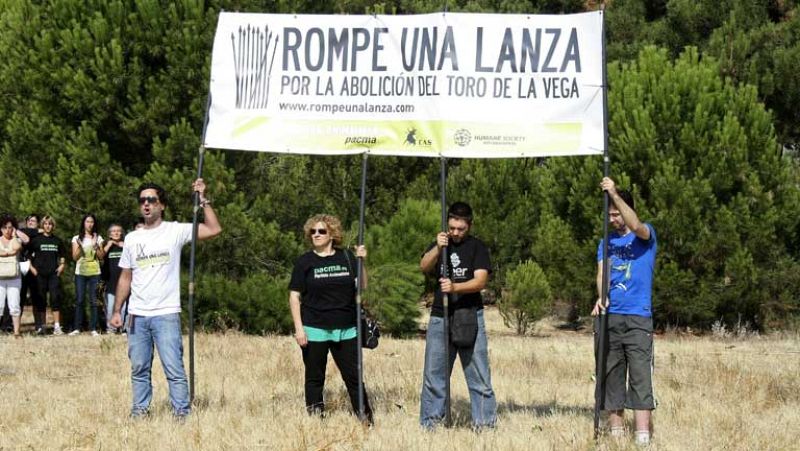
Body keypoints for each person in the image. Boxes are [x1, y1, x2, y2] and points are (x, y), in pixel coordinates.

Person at [110, 179, 221, 419]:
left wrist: (204, 200)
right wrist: (117, 310)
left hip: (166, 313)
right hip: (137, 315)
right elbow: (125, 277)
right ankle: (139, 411)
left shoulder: (175, 230)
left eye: (152, 200)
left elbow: (213, 229)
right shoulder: (131, 239)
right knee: (139, 368)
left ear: (162, 206)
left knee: (173, 368)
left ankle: (181, 413)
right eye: (142, 200)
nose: (146, 204)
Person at [418, 201, 496, 429]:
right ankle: (431, 424)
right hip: (440, 316)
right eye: (452, 228)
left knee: (479, 374)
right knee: (434, 375)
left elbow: (481, 281)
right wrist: (438, 248)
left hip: (469, 315)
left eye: (460, 229)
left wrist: (454, 288)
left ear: (469, 226)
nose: (455, 233)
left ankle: (485, 425)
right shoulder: (442, 243)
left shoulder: (477, 248)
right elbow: (424, 266)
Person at [288, 214, 373, 423]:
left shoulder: (346, 257)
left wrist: (361, 261)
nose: (316, 235)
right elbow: (294, 296)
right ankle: (317, 419)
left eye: (321, 231)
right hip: (315, 329)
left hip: (347, 329)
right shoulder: (305, 261)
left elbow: (361, 286)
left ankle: (366, 420)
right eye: (313, 231)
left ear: (332, 234)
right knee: (315, 378)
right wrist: (299, 329)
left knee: (354, 378)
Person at [592, 177, 657, 446]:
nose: (613, 219)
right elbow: (601, 273)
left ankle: (642, 436)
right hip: (611, 316)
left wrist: (614, 194)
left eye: (617, 214)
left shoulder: (645, 235)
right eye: (610, 215)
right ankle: (616, 435)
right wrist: (601, 298)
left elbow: (636, 226)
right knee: (611, 373)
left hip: (638, 316)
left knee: (640, 375)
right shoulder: (605, 242)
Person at [28, 215, 66, 335]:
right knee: (41, 300)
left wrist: (62, 266)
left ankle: (57, 327)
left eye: (50, 224)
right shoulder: (36, 240)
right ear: (42, 225)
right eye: (45, 224)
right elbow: (27, 255)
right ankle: (42, 326)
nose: (47, 226)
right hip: (39, 274)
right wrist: (32, 268)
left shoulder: (57, 240)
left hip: (53, 274)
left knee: (55, 299)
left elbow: (63, 255)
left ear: (53, 226)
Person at [70, 214, 105, 336]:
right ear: (83, 223)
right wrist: (80, 245)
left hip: (95, 273)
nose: (90, 224)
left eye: (92, 222)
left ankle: (94, 328)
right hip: (80, 273)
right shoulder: (76, 238)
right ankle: (77, 328)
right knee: (79, 300)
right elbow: (75, 257)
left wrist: (96, 244)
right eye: (87, 221)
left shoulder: (99, 238)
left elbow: (101, 257)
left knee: (94, 300)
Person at [0, 214, 25, 337]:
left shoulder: (16, 239)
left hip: (14, 277)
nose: (7, 230)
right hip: (0, 278)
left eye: (10, 227)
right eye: (5, 227)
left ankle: (16, 332)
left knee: (14, 305)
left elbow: (17, 247)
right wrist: (8, 253)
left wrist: (15, 235)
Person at [102, 224, 125, 334]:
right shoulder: (106, 245)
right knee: (111, 306)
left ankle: (123, 328)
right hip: (111, 282)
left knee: (124, 307)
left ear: (121, 233)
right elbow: (100, 256)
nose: (116, 233)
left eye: (118, 231)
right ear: (109, 234)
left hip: (124, 282)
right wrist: (109, 245)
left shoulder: (126, 245)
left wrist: (124, 246)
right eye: (113, 231)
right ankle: (110, 328)